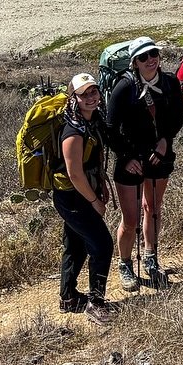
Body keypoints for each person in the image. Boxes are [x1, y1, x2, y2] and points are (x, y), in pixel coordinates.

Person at [105, 38, 183, 291]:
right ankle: (125, 263)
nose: (150, 60)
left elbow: (176, 118)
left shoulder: (170, 83)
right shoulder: (124, 87)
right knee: (130, 220)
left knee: (153, 208)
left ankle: (151, 257)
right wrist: (126, 157)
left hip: (159, 157)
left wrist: (164, 142)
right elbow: (109, 128)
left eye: (153, 54)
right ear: (134, 62)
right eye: (143, 57)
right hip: (131, 160)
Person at [54, 73, 113, 326]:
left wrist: (100, 186)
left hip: (79, 195)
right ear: (74, 99)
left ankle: (68, 298)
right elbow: (75, 174)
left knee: (76, 245)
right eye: (84, 94)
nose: (91, 97)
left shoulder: (90, 121)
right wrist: (94, 201)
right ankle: (96, 303)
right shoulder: (73, 131)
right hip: (73, 198)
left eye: (94, 91)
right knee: (102, 245)